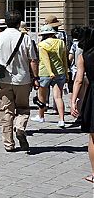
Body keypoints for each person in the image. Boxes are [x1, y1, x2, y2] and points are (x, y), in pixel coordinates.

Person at [0, 10, 39, 153]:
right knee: (23, 108)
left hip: (3, 80)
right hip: (23, 80)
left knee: (5, 111)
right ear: (18, 23)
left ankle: (8, 144)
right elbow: (33, 60)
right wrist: (35, 78)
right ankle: (20, 127)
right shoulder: (26, 38)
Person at [33, 25, 69, 128]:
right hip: (60, 72)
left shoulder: (42, 45)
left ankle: (41, 116)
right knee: (58, 97)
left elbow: (45, 60)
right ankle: (61, 120)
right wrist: (66, 73)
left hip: (44, 73)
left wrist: (50, 72)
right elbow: (64, 59)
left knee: (42, 96)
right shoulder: (61, 43)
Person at [70, 26, 94, 183]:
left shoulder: (84, 56)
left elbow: (78, 80)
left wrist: (73, 101)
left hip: (93, 94)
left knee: (93, 136)